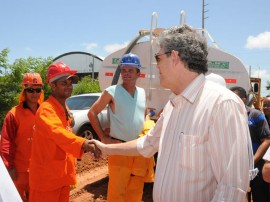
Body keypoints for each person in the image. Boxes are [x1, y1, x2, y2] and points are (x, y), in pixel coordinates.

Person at [89, 25, 250, 201]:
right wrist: (106, 148)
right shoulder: (172, 105)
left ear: (174, 57)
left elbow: (231, 189)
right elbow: (148, 144)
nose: (156, 65)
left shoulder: (222, 104)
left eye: (158, 58)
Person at [29, 62, 98, 202]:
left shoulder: (63, 107)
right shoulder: (46, 110)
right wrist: (83, 143)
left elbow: (67, 135)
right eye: (64, 83)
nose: (69, 86)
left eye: (70, 82)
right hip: (46, 181)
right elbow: (58, 133)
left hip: (61, 177)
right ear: (53, 86)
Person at [88, 53, 153, 202]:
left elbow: (145, 114)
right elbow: (92, 113)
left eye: (131, 70)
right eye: (124, 70)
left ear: (138, 73)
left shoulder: (142, 93)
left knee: (136, 191)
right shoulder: (111, 92)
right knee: (117, 193)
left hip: (138, 149)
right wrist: (103, 138)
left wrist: (148, 127)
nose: (126, 73)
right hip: (119, 148)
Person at [0, 72, 44, 201]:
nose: (34, 93)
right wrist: (9, 167)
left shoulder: (46, 112)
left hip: (40, 168)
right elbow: (6, 142)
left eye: (37, 90)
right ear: (24, 91)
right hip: (20, 171)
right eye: (30, 90)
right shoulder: (13, 114)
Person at [231, 86, 270, 202]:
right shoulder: (227, 115)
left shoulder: (255, 115)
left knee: (260, 197)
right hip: (236, 167)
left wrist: (252, 161)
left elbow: (267, 140)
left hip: (257, 167)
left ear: (243, 100)